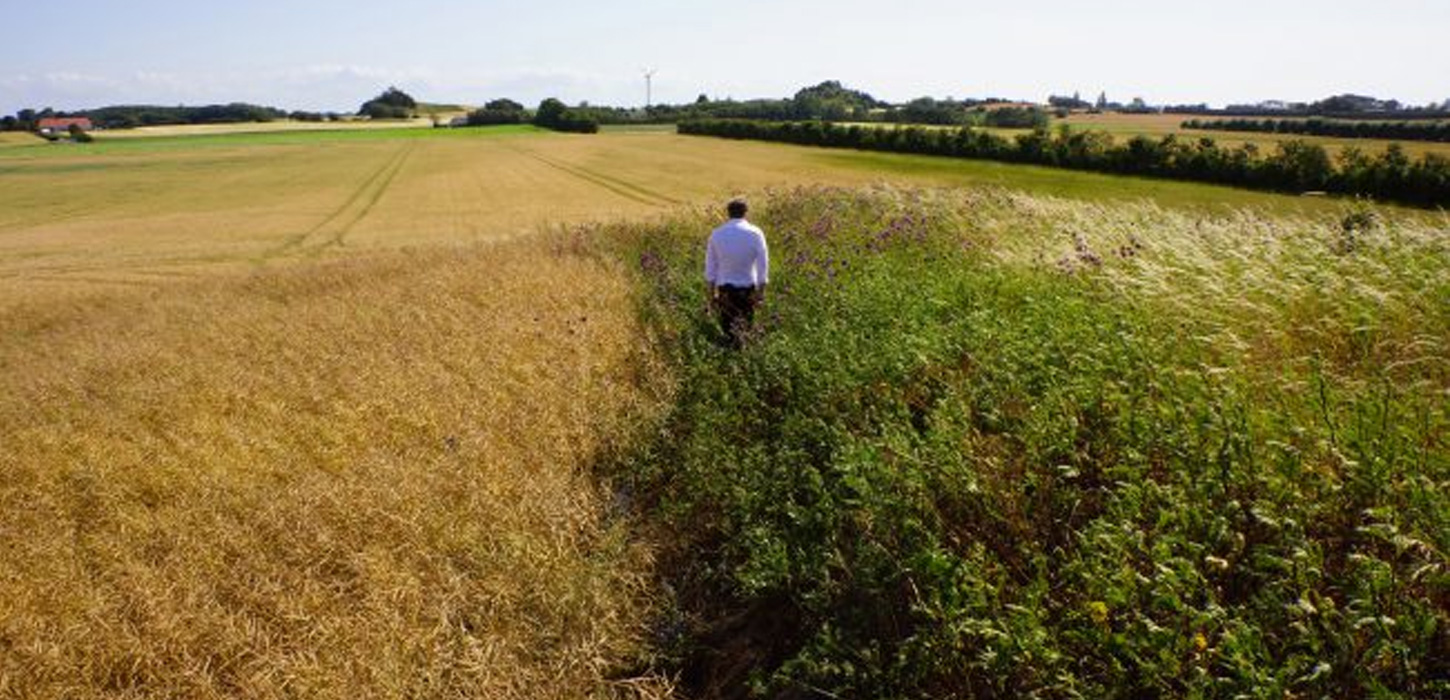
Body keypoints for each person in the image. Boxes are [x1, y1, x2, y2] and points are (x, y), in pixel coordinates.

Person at [704, 198, 769, 348]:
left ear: (728, 213)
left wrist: (711, 295)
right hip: (748, 290)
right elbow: (763, 264)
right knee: (746, 331)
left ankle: (728, 363)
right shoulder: (756, 233)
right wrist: (761, 293)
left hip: (725, 291)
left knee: (728, 332)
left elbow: (710, 268)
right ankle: (744, 363)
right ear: (746, 212)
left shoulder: (716, 234)